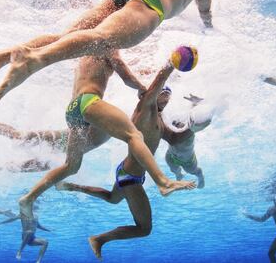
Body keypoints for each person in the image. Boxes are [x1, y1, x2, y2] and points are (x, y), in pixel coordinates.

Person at [17, 50, 195, 222]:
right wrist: (142, 87)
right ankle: (163, 181)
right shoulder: (108, 44)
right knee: (133, 135)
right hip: (88, 100)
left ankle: (29, 198)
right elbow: (126, 77)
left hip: (72, 111)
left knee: (71, 166)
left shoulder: (83, 52)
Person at [0, 0, 213, 105]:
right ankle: (34, 60)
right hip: (153, 2)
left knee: (70, 37)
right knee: (102, 39)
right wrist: (209, 27)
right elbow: (205, 12)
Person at [56, 59, 196, 259]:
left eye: (167, 97)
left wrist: (197, 121)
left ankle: (74, 187)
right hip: (130, 176)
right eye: (162, 95)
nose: (165, 99)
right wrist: (171, 63)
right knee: (144, 228)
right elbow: (156, 85)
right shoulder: (145, 108)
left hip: (128, 173)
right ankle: (99, 239)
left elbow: (175, 138)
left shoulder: (158, 120)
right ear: (155, 95)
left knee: (113, 199)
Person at [162, 93, 212, 188]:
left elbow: (195, 117)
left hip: (188, 161)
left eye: (179, 124)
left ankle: (201, 177)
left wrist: (196, 104)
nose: (176, 125)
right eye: (175, 124)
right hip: (171, 156)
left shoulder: (189, 131)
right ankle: (178, 174)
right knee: (173, 168)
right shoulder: (171, 129)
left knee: (194, 171)